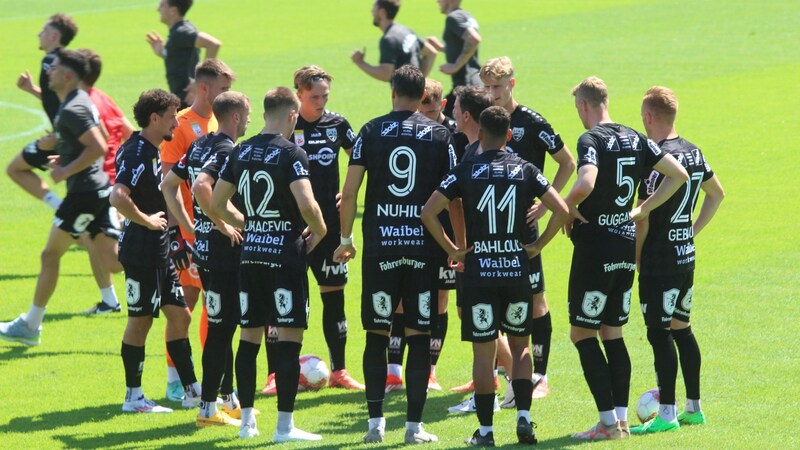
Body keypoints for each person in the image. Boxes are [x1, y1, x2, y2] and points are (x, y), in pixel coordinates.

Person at [422, 105, 571, 446]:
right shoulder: (526, 169)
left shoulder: (464, 169)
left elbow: (428, 212)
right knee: (520, 349)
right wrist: (538, 246)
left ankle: (486, 432)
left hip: (478, 275)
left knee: (483, 353)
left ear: (481, 134)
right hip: (516, 271)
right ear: (508, 135)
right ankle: (524, 421)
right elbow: (562, 210)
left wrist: (455, 249)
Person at [334, 65, 456, 444]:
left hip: (380, 247)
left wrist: (345, 238)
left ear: (392, 92)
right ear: (423, 96)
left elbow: (349, 192)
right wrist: (457, 247)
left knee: (376, 333)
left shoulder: (370, 131)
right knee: (419, 335)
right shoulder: (441, 134)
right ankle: (413, 428)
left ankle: (374, 426)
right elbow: (454, 197)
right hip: (423, 250)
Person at [564, 76, 688, 440]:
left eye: (577, 109)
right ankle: (618, 421)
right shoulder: (636, 136)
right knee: (611, 332)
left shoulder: (590, 139)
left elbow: (585, 183)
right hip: (625, 246)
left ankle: (606, 424)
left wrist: (560, 207)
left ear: (585, 106)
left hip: (596, 249)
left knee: (581, 333)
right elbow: (678, 174)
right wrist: (641, 209)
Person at [211, 87, 327, 442]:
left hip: (251, 256)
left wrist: (250, 224)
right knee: (289, 338)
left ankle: (246, 423)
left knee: (249, 337)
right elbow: (306, 205)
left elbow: (216, 203)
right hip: (284, 258)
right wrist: (320, 232)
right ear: (292, 115)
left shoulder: (241, 150)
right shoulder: (292, 152)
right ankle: (284, 428)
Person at [0, 49, 120, 345]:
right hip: (97, 188)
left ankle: (30, 326)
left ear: (67, 75)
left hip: (84, 195)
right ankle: (168, 259)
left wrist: (65, 169)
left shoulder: (71, 108)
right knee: (114, 262)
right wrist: (65, 149)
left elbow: (98, 147)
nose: (48, 72)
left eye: (53, 69)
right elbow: (102, 135)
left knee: (49, 255)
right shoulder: (79, 100)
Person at [480, 56, 576, 401]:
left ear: (512, 84)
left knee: (535, 300)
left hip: (523, 228)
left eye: (498, 86)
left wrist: (547, 200)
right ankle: (493, 373)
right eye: (487, 87)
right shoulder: (486, 120)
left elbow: (567, 162)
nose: (492, 94)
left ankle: (540, 374)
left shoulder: (531, 122)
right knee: (488, 298)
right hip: (490, 228)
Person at [630, 86, 725, 434]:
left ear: (650, 117)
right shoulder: (694, 152)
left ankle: (667, 415)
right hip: (685, 256)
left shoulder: (655, 162)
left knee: (659, 333)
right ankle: (693, 408)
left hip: (659, 260)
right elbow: (717, 194)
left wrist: (636, 260)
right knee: (682, 329)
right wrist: (692, 230)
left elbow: (644, 219)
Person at [270, 66, 364, 392]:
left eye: (325, 96)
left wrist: (349, 190)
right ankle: (273, 376)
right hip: (291, 227)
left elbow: (362, 160)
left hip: (330, 229)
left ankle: (339, 371)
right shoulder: (284, 125)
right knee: (280, 301)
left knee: (333, 298)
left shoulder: (338, 124)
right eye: (315, 97)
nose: (321, 102)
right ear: (298, 93)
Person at [163, 91, 252, 426]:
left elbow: (168, 184)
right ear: (235, 117)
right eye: (247, 114)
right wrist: (225, 222)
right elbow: (201, 187)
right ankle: (208, 409)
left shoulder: (199, 146)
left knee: (221, 326)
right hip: (225, 253)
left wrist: (189, 225)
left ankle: (227, 400)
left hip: (205, 250)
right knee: (222, 328)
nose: (250, 120)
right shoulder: (228, 150)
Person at [111, 88, 202, 413]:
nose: (175, 124)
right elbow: (118, 196)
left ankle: (192, 389)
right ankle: (133, 397)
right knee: (140, 322)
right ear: (154, 119)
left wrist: (179, 232)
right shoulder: (137, 152)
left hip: (160, 252)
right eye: (170, 118)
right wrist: (146, 220)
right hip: (141, 253)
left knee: (180, 316)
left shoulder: (150, 148)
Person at [159, 58, 234, 402]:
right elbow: (169, 183)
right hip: (192, 233)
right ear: (204, 88)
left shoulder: (223, 121)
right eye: (222, 89)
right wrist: (177, 234)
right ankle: (177, 379)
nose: (226, 95)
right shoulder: (183, 126)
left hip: (215, 233)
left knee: (212, 307)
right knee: (184, 308)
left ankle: (210, 379)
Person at [7, 13, 77, 213]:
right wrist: (33, 90)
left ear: (54, 36)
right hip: (69, 135)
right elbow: (60, 99)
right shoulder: (64, 60)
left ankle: (63, 212)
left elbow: (69, 103)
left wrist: (58, 136)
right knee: (80, 184)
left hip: (63, 138)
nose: (39, 33)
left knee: (15, 169)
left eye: (44, 30)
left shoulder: (50, 62)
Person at [146, 0, 222, 107]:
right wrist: (162, 52)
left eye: (162, 5)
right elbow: (183, 58)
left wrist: (200, 81)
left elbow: (213, 44)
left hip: (188, 98)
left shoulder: (181, 32)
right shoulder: (179, 30)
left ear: (173, 11)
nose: (158, 9)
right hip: (183, 98)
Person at [77, 48, 135, 185]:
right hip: (117, 178)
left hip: (97, 180)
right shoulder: (102, 97)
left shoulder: (83, 105)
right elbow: (130, 133)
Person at [351, 0, 437, 82]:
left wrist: (360, 62)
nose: (371, 11)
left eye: (374, 7)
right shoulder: (406, 31)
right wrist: (419, 82)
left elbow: (385, 74)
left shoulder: (389, 39)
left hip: (404, 95)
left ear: (382, 12)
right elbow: (431, 52)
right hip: (416, 93)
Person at [427, 0, 481, 118]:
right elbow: (463, 46)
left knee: (438, 119)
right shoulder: (466, 15)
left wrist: (455, 66)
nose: (437, 1)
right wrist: (442, 48)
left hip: (466, 87)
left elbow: (473, 39)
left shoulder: (453, 17)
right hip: (476, 81)